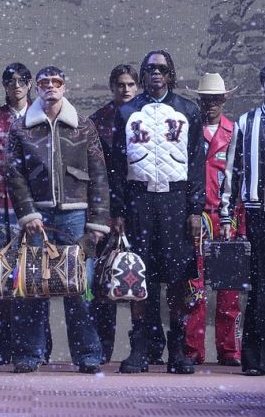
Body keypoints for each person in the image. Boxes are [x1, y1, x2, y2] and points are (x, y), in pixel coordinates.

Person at [7, 66, 109, 374]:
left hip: (75, 216)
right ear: (36, 88)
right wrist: (28, 214)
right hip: (38, 215)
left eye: (56, 82)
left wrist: (97, 222)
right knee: (33, 286)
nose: (50, 87)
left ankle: (88, 354)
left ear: (64, 87)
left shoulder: (82, 125)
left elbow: (99, 175)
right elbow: (14, 174)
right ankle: (30, 353)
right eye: (44, 83)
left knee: (79, 287)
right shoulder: (21, 127)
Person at [112, 50, 205, 374]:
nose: (155, 74)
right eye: (150, 69)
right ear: (143, 73)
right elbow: (116, 165)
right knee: (139, 273)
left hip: (175, 202)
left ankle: (177, 349)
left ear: (170, 74)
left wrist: (196, 209)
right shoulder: (126, 112)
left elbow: (196, 165)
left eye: (161, 69)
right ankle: (140, 347)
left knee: (177, 278)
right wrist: (119, 209)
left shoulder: (188, 111)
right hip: (139, 201)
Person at [89, 64, 167, 364]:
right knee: (104, 280)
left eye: (131, 84)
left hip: (141, 208)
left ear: (138, 86)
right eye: (120, 84)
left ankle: (149, 344)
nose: (126, 89)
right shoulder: (99, 121)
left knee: (144, 277)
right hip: (108, 209)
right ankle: (103, 347)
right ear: (112, 87)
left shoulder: (149, 115)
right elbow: (96, 171)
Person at [0, 62, 54, 366]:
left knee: (35, 279)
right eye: (11, 80)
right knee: (0, 279)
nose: (17, 85)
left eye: (23, 80)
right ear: (4, 85)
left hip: (36, 211)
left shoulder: (43, 118)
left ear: (31, 85)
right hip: (0, 206)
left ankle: (36, 348)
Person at [182, 73, 243, 366]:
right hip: (196, 216)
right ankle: (193, 350)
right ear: (200, 100)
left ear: (224, 99)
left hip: (224, 215)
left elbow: (238, 176)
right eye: (207, 99)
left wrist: (232, 217)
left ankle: (229, 350)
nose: (211, 105)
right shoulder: (188, 130)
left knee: (228, 288)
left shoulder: (234, 132)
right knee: (194, 287)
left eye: (216, 99)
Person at [219, 65, 265, 375]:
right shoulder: (247, 123)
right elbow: (231, 173)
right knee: (260, 286)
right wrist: (225, 213)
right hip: (257, 211)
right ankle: (254, 359)